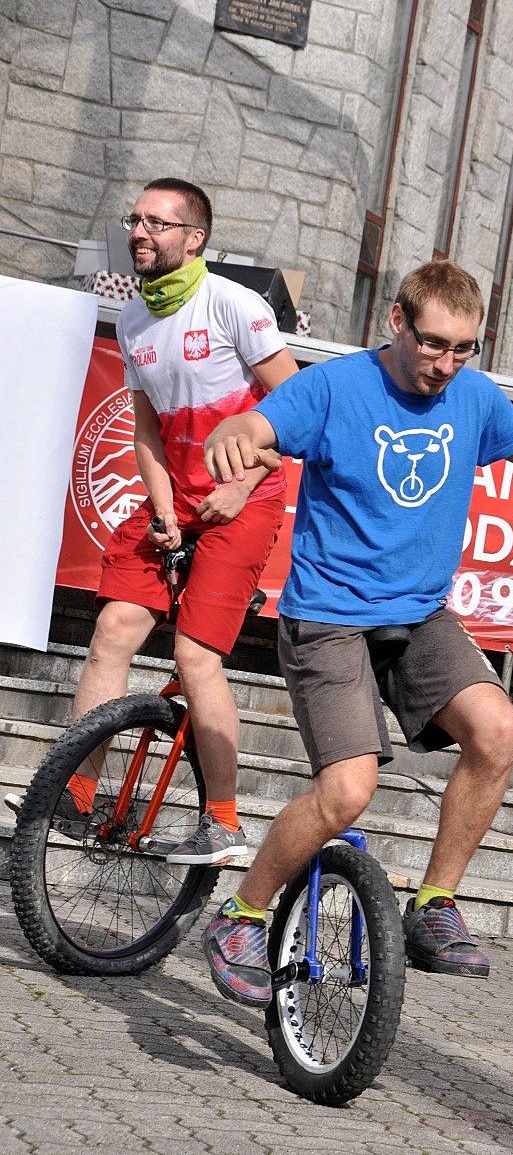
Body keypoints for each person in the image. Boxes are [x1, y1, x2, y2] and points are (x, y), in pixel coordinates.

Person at [199, 259, 513, 1005]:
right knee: (347, 791)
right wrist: (235, 432)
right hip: (329, 619)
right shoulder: (336, 387)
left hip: (418, 617)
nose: (445, 364)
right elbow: (260, 425)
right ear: (398, 322)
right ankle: (242, 915)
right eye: (433, 344)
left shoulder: (473, 397)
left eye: (463, 349)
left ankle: (433, 904)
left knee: (497, 728)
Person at [56, 177, 298, 865]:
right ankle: (75, 794)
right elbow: (146, 430)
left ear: (195, 239)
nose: (138, 232)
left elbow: (301, 408)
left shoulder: (233, 304)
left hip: (243, 499)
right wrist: (164, 510)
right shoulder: (134, 317)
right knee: (112, 631)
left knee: (194, 657)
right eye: (134, 219)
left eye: (156, 223)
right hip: (177, 499)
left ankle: (223, 821)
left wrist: (242, 484)